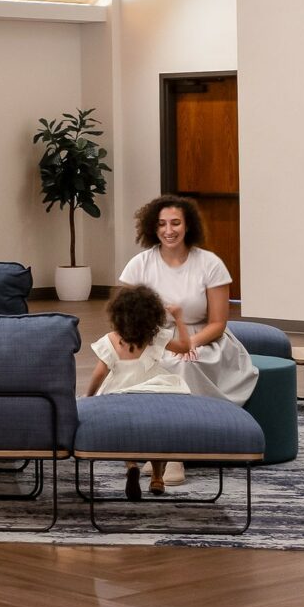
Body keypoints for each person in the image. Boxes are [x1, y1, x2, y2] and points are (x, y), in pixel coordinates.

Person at [117, 193, 260, 415]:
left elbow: (218, 323)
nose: (168, 230)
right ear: (153, 227)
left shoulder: (210, 264)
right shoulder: (138, 265)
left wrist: (189, 344)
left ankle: (195, 418)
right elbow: (126, 319)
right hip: (153, 338)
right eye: (162, 224)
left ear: (188, 226)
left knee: (185, 363)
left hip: (205, 340)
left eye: (176, 223)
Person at [84, 284, 203, 497]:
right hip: (153, 393)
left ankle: (131, 465)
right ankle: (157, 477)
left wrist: (89, 396)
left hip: (120, 395)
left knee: (125, 432)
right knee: (157, 431)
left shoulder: (111, 340)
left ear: (117, 314)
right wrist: (178, 318)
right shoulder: (155, 337)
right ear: (152, 315)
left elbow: (99, 374)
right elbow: (185, 347)